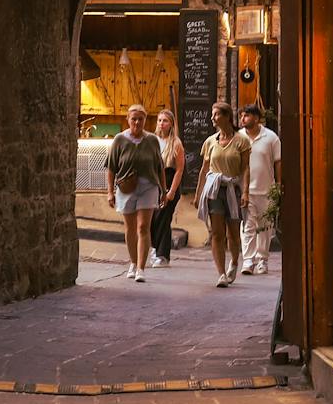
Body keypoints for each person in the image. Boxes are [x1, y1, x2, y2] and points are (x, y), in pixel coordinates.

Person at [193, 101, 251, 288]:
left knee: (233, 233)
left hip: (233, 188)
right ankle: (221, 273)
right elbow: (203, 169)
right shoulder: (210, 141)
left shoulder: (241, 141)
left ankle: (234, 261)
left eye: (216, 114)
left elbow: (245, 169)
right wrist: (198, 193)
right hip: (214, 189)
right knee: (217, 233)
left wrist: (246, 192)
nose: (212, 118)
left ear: (226, 117)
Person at [106, 104, 165, 282]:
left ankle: (141, 268)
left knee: (143, 227)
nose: (137, 122)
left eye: (140, 119)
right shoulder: (119, 140)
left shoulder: (152, 140)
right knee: (130, 228)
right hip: (126, 188)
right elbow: (111, 168)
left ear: (145, 120)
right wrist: (109, 192)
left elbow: (159, 166)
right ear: (128, 120)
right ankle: (132, 262)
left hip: (148, 187)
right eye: (134, 119)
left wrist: (163, 189)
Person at [238, 102, 281, 275]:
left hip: (266, 189)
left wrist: (278, 185)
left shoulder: (270, 138)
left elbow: (278, 162)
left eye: (246, 115)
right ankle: (248, 261)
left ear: (256, 118)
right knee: (247, 226)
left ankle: (262, 259)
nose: (242, 119)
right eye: (241, 116)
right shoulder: (239, 137)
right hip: (245, 190)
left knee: (265, 227)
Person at [148, 108, 186, 269]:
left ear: (171, 124)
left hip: (169, 182)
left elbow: (179, 170)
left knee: (162, 219)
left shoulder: (175, 143)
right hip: (153, 184)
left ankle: (162, 255)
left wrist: (171, 191)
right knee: (151, 219)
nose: (162, 123)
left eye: (165, 121)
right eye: (159, 120)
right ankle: (155, 248)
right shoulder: (152, 140)